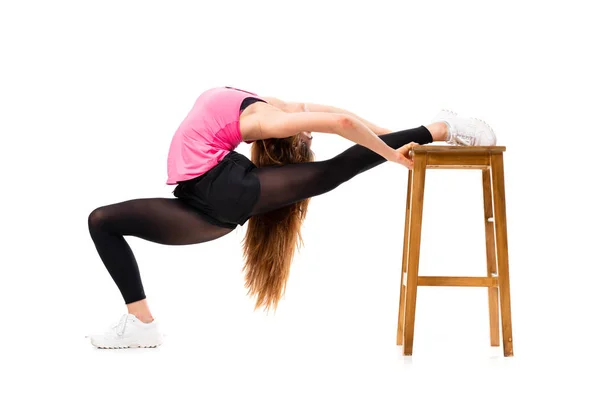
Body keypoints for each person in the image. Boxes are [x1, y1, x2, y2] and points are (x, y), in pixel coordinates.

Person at [87, 86, 496, 349]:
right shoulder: (272, 114)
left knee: (329, 173)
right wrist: (394, 145)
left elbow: (341, 121)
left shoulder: (265, 110)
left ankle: (446, 127)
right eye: (306, 137)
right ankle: (141, 324)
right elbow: (342, 120)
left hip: (218, 190)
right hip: (206, 202)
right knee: (102, 220)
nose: (309, 136)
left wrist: (402, 139)